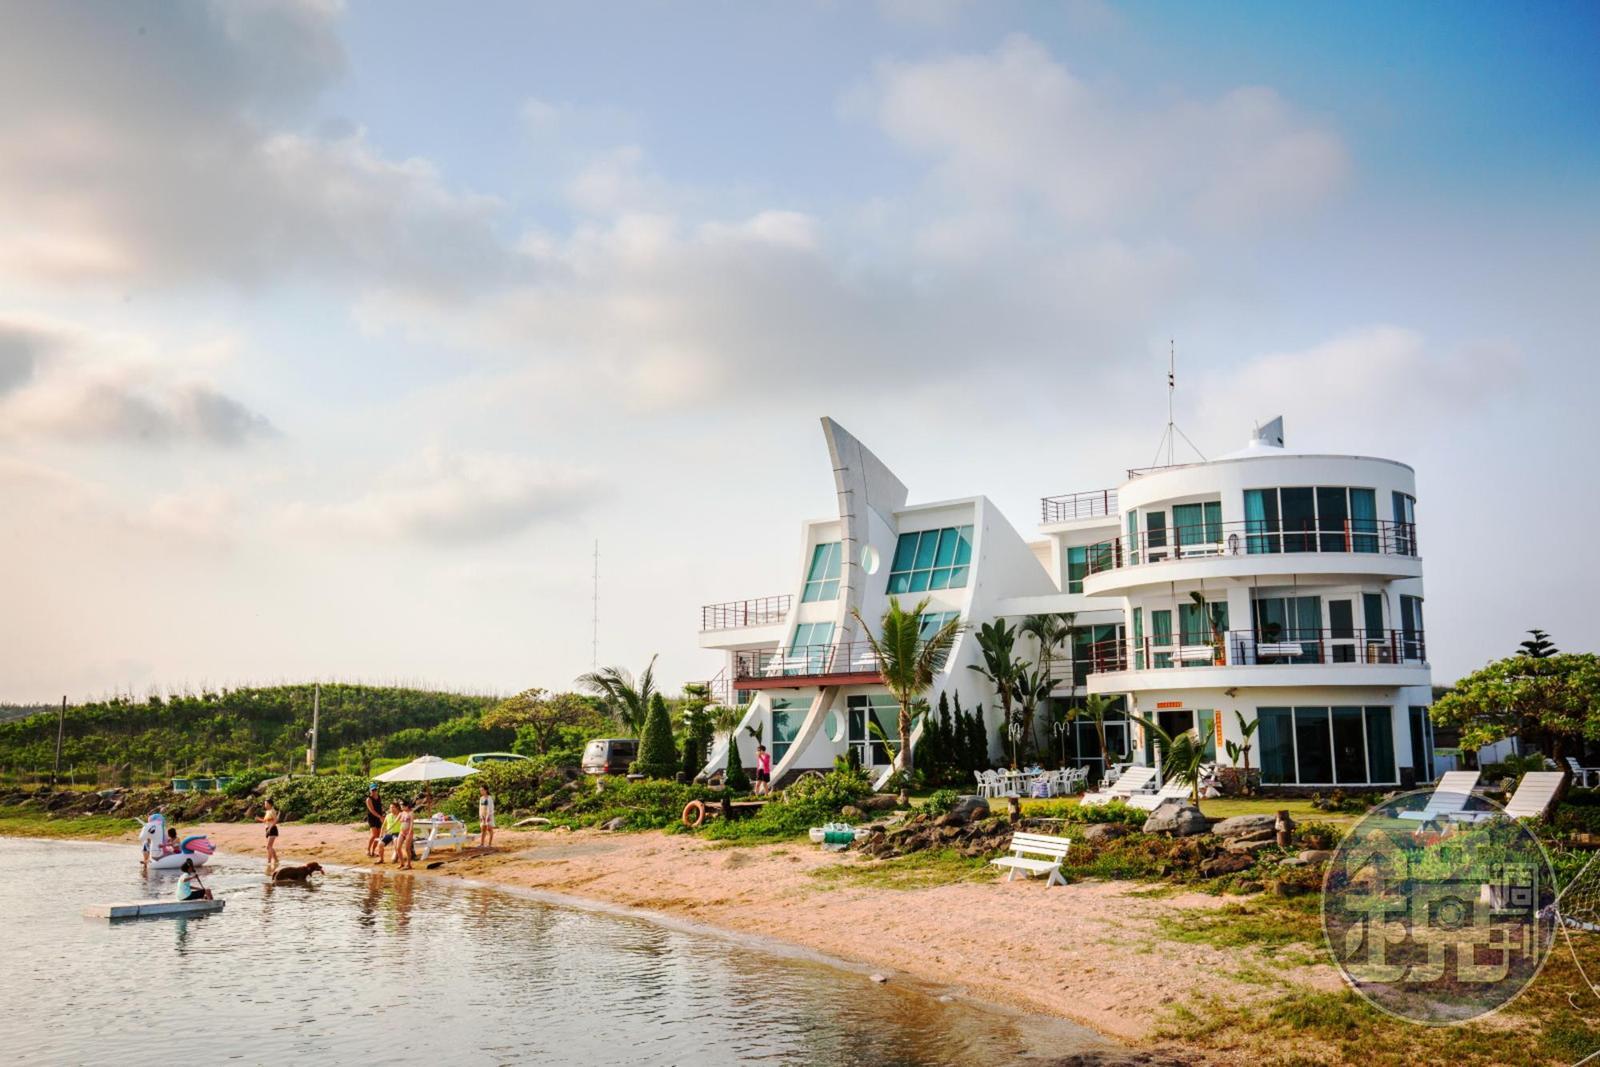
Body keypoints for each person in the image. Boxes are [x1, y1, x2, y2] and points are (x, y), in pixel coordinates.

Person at [259, 799, 280, 869]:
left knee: (268, 847)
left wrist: (270, 828)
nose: (265, 805)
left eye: (266, 804)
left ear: (270, 804)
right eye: (265, 804)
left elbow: (276, 820)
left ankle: (269, 861)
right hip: (268, 829)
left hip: (272, 829)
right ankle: (276, 860)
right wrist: (258, 819)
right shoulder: (267, 811)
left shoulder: (272, 811)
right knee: (270, 846)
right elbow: (265, 821)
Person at [395, 801, 415, 871]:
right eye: (400, 805)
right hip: (402, 832)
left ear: (407, 806)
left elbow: (412, 823)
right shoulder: (401, 813)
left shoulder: (411, 813)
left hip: (408, 832)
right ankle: (402, 863)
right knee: (398, 848)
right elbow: (395, 822)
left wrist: (410, 832)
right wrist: (388, 829)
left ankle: (409, 864)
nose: (401, 807)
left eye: (402, 805)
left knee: (407, 849)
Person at [364, 784, 383, 857]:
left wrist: (383, 814)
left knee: (378, 835)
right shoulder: (368, 799)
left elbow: (380, 807)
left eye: (375, 790)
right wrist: (379, 816)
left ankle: (373, 851)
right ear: (370, 791)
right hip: (372, 818)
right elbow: (371, 810)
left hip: (379, 817)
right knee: (374, 835)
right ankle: (368, 850)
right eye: (373, 790)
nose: (374, 791)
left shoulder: (379, 797)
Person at [477, 784, 495, 848]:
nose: (481, 792)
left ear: (486, 790)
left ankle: (489, 844)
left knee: (489, 829)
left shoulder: (489, 798)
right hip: (483, 815)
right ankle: (482, 844)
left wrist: (489, 816)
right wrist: (480, 816)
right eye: (480, 790)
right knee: (483, 829)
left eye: (482, 790)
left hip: (489, 815)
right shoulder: (481, 798)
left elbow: (491, 808)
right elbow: (480, 808)